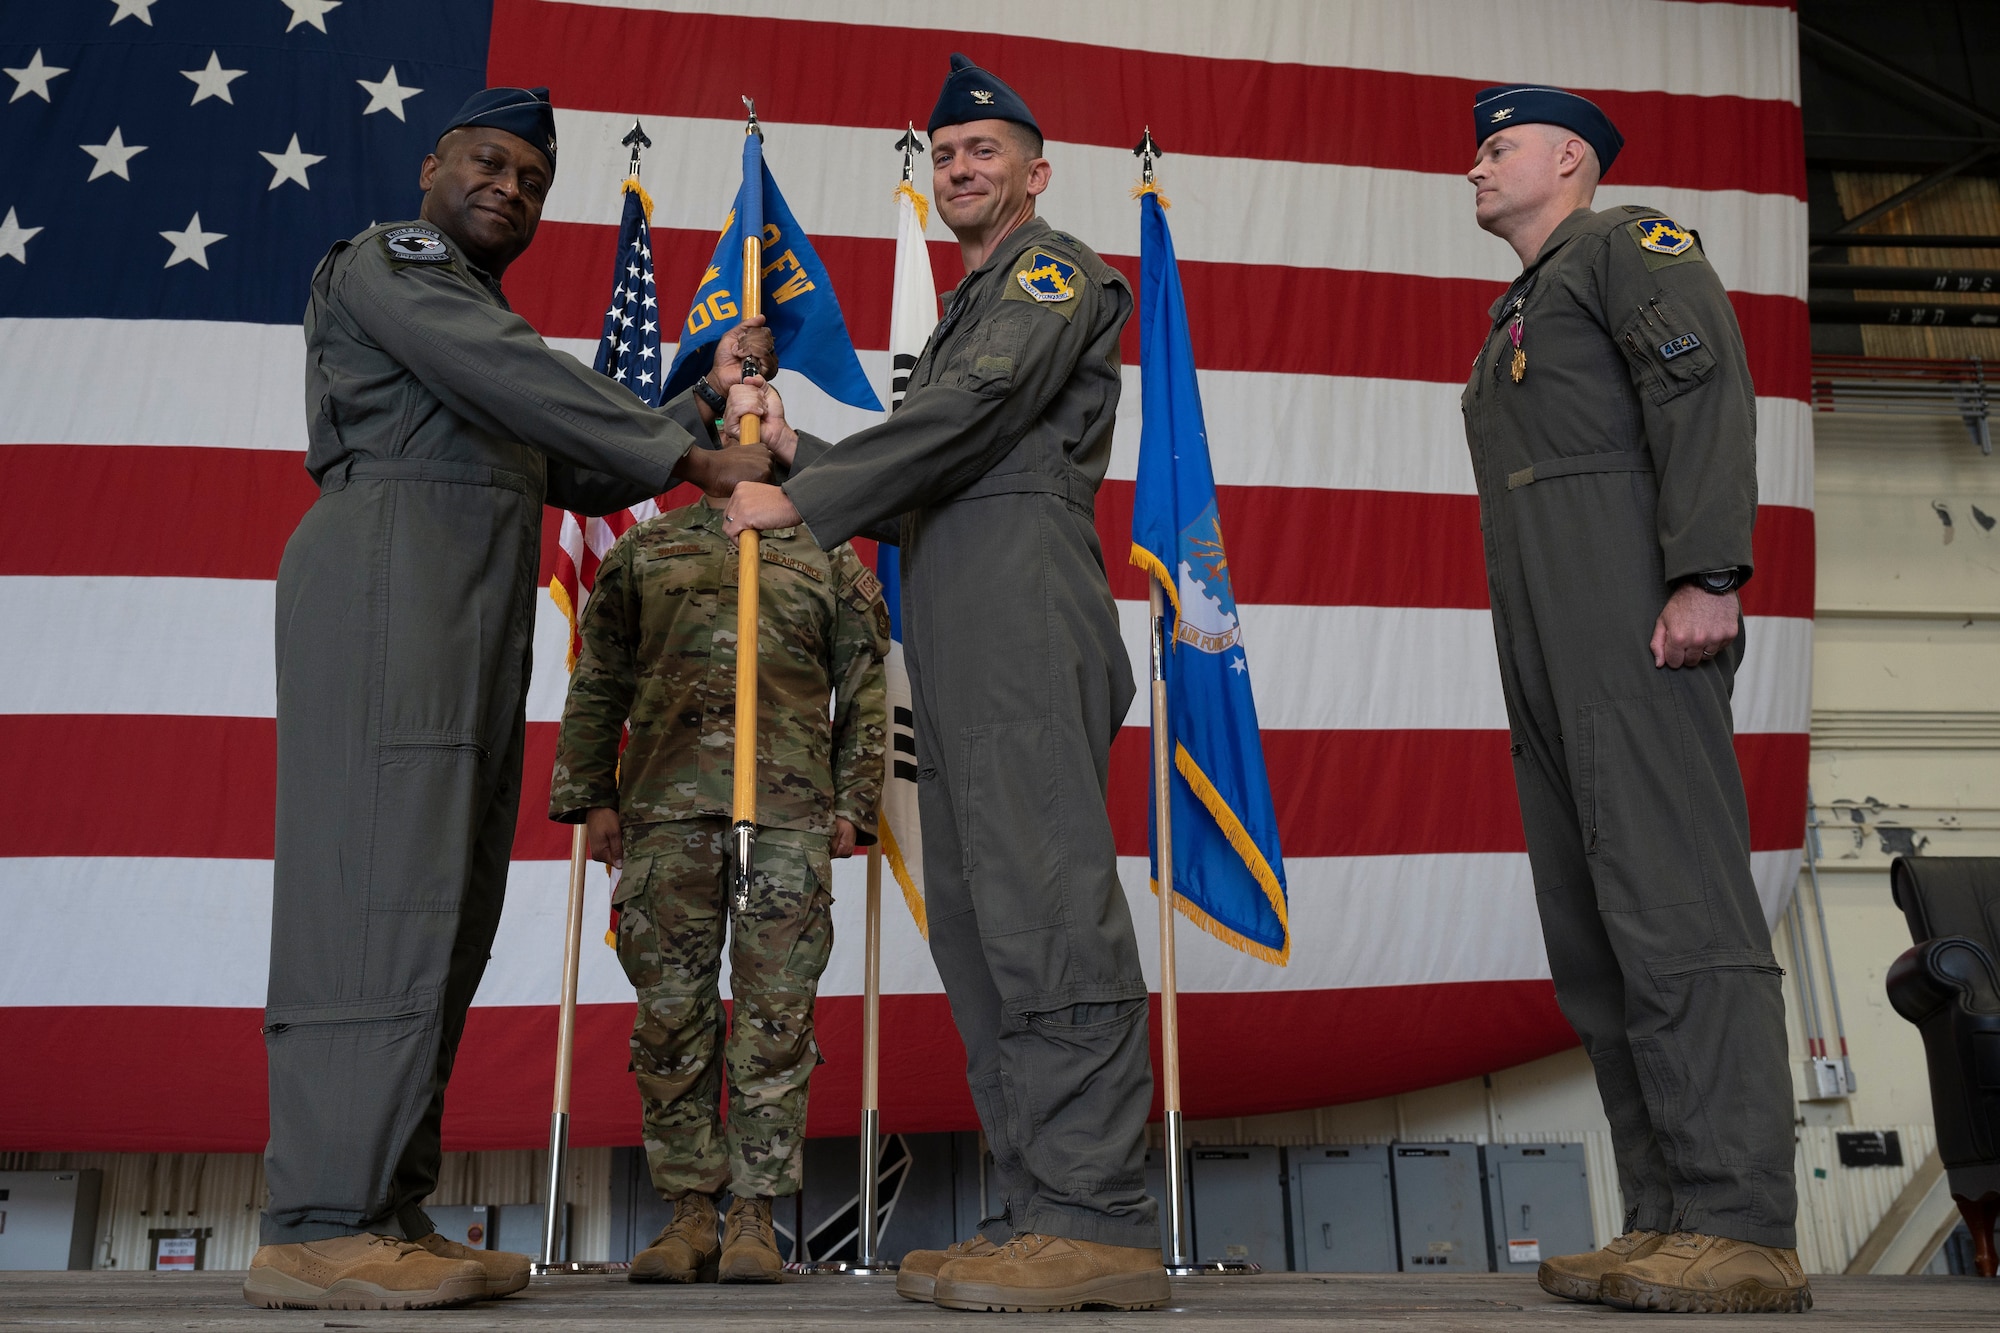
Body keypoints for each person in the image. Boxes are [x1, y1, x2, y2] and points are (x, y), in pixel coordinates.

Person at [248, 86, 775, 1312]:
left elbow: (581, 467)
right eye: (489, 162)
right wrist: (696, 457)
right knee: (374, 895)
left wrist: (697, 397)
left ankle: (384, 1205)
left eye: (534, 180)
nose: (510, 189)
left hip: (464, 599)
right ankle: (320, 1220)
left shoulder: (481, 326)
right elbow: (515, 379)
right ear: (434, 163)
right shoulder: (396, 265)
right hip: (393, 575)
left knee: (440, 904)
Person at [723, 54, 1169, 1314]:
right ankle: (1040, 1209)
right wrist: (794, 443)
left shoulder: (1048, 269)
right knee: (979, 925)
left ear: (1037, 171)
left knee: (1043, 904)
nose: (962, 169)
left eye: (985, 151)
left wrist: (800, 498)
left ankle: (1098, 1220)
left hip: (1023, 599)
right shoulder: (974, 300)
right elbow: (940, 452)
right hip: (960, 601)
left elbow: (970, 414)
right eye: (948, 153)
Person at [1461, 85, 1808, 1314]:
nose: (1475, 169)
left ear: (1568, 158)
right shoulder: (1522, 301)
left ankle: (1740, 1220)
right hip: (1550, 642)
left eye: (1496, 148)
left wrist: (1706, 571)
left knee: (1676, 911)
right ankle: (1667, 1214)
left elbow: (1701, 389)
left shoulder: (1625, 246)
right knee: (1597, 939)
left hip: (1633, 624)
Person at [548, 443, 889, 1284]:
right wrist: (593, 794)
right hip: (667, 813)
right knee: (671, 1021)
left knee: (776, 1020)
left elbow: (866, 681)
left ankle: (754, 1215)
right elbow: (601, 678)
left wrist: (854, 800)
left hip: (789, 815)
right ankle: (691, 1209)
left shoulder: (826, 551)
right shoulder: (646, 550)